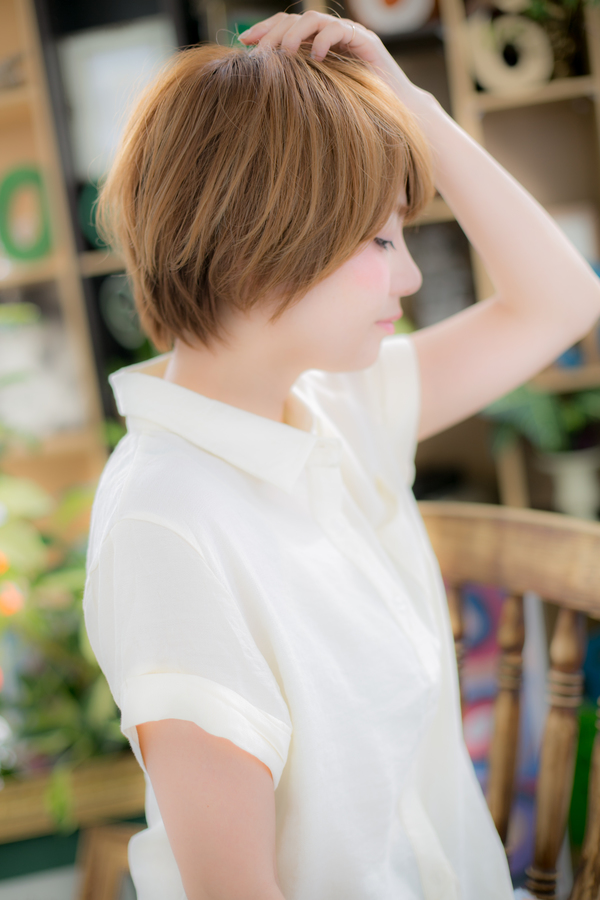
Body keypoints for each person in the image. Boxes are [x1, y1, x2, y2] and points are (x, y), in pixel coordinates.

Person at [84, 10, 600, 900]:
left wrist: (412, 107)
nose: (409, 276)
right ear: (260, 238)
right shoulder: (166, 526)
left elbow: (562, 303)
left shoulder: (336, 404)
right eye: (381, 239)